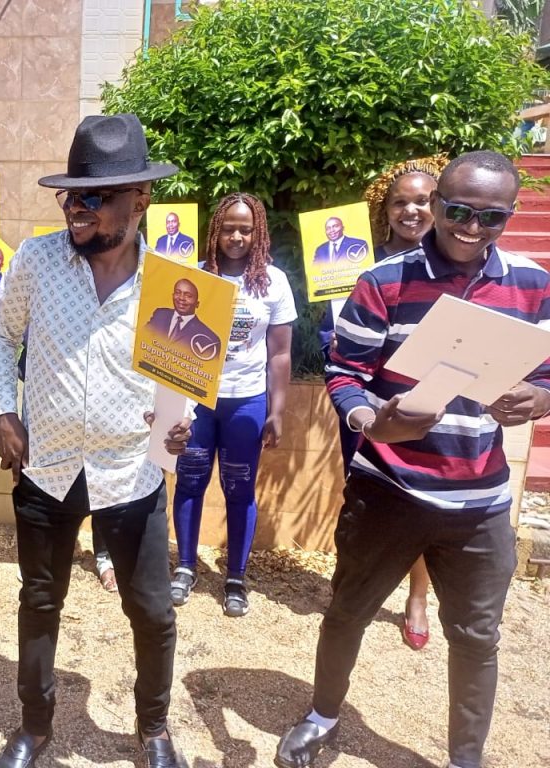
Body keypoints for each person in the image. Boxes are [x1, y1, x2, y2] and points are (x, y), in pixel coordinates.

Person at [275, 150, 547, 768]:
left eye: (491, 218)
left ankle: (465, 757)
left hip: (477, 503)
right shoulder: (386, 280)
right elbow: (345, 375)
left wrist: (538, 397)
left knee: (476, 637)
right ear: (437, 205)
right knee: (347, 611)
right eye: (458, 211)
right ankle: (322, 716)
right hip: (388, 490)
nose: (471, 228)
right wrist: (374, 420)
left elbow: (548, 370)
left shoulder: (533, 284)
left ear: (508, 216)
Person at [0, 113, 192, 768]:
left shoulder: (172, 282)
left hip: (130, 473)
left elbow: (180, 378)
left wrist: (179, 424)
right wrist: (4, 411)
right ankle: (34, 727)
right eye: (71, 196)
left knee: (153, 611)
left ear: (140, 199)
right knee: (40, 601)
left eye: (93, 198)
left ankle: (153, 730)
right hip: (45, 466)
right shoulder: (37, 261)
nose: (77, 209)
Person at [319, 156, 449, 650]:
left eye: (422, 201)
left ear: (437, 205)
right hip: (363, 398)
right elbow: (342, 335)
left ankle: (417, 596)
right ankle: (350, 585)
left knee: (419, 498)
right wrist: (330, 333)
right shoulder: (358, 263)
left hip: (431, 402)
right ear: (385, 208)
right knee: (361, 489)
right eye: (400, 202)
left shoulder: (457, 266)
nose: (411, 210)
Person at [168, 193, 296, 613]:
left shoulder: (274, 282)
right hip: (199, 402)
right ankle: (185, 567)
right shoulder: (197, 277)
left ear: (258, 232)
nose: (236, 236)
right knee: (189, 482)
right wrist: (170, 405)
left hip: (246, 402)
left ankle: (236, 577)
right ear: (214, 231)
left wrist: (276, 410)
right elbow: (174, 342)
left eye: (245, 229)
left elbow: (279, 354)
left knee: (239, 488)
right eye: (228, 228)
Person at [144, 278, 220, 357]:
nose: (181, 298)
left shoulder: (210, 338)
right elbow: (143, 338)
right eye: (178, 293)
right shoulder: (160, 315)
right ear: (172, 296)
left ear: (197, 304)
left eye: (188, 296)